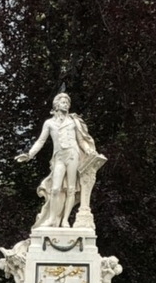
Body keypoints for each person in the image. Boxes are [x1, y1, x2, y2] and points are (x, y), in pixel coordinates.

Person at [16, 92, 101, 227]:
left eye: (67, 102)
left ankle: (65, 220)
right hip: (59, 157)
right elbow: (40, 141)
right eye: (63, 102)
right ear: (56, 105)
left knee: (71, 189)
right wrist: (29, 154)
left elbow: (81, 140)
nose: (66, 104)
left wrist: (89, 150)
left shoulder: (73, 121)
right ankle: (52, 219)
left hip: (73, 154)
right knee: (55, 189)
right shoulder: (49, 123)